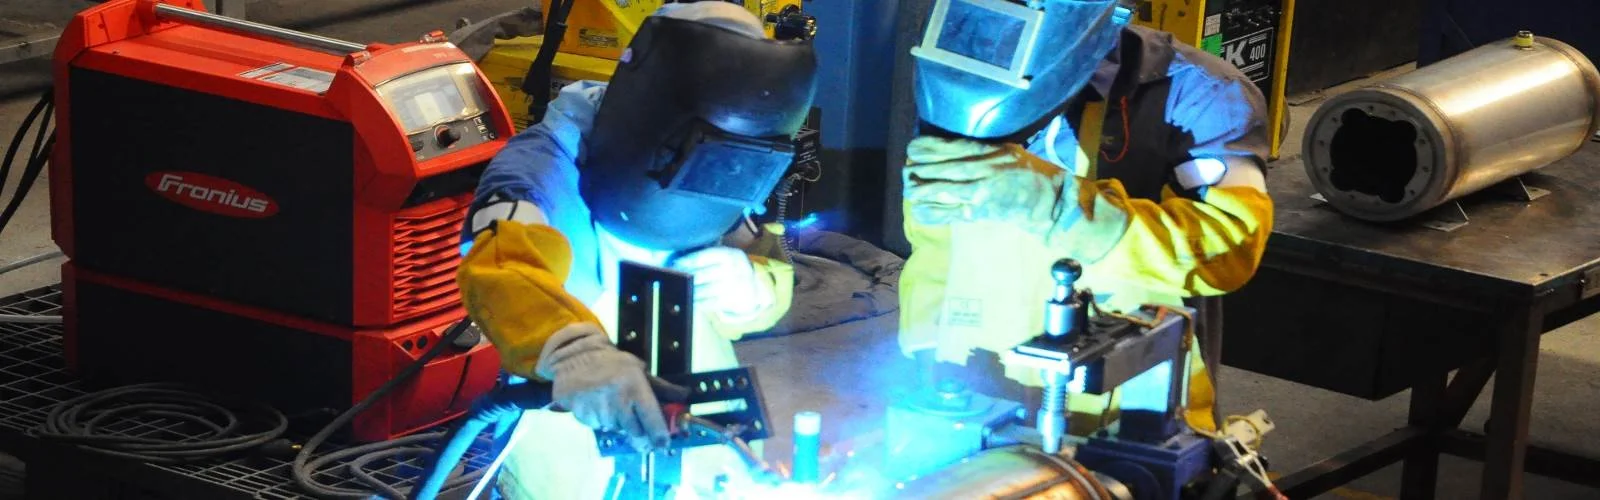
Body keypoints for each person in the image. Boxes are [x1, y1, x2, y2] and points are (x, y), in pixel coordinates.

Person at [453, 3, 818, 498]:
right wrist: (573, 353)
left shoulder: (733, 152)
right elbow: (500, 270)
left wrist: (751, 286)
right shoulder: (544, 167)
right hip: (575, 440)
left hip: (700, 437)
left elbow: (765, 266)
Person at [899, 0, 1275, 434]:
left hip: (1132, 402)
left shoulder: (1203, 94)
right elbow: (936, 242)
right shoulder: (973, 62)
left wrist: (1057, 205)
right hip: (979, 392)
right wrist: (926, 353)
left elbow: (1230, 247)